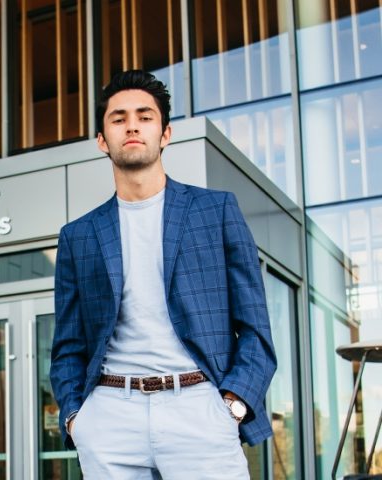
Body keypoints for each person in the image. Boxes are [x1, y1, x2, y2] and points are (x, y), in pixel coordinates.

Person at [49, 70, 277, 479]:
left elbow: (256, 328)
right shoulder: (78, 235)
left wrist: (233, 405)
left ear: (165, 133)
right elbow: (68, 345)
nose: (131, 125)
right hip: (110, 415)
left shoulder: (216, 211)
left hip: (200, 412)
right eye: (118, 118)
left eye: (144, 116)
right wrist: (76, 419)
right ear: (103, 140)